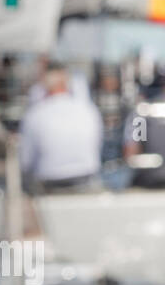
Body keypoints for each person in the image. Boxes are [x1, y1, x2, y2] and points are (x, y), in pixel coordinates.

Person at [18, 62, 103, 192]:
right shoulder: (88, 110)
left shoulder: (35, 114)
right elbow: (97, 146)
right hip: (87, 180)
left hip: (48, 185)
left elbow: (26, 161)